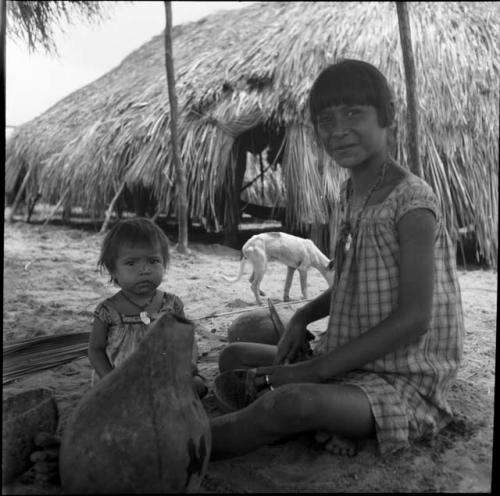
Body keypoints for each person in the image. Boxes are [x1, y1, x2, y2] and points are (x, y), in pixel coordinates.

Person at [210, 59, 464, 459]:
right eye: (326, 119)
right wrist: (302, 317)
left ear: (388, 117)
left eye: (353, 113)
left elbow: (416, 317)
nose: (338, 130)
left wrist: (313, 371)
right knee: (233, 356)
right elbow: (349, 280)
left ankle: (182, 445)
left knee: (288, 402)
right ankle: (318, 419)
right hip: (345, 356)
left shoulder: (412, 202)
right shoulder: (350, 195)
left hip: (400, 376)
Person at [88, 217, 208, 398]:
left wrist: (189, 364)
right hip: (122, 382)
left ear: (164, 263)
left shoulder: (172, 305)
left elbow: (188, 341)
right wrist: (110, 380)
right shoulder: (108, 311)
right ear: (113, 270)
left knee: (197, 385)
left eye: (153, 261)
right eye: (131, 263)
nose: (144, 269)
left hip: (163, 377)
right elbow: (95, 349)